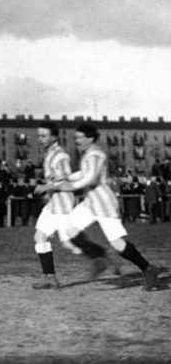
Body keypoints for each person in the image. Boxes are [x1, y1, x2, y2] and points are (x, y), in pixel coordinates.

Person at [36, 122, 161, 291]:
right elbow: (80, 174)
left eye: (80, 138)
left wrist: (66, 186)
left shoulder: (96, 154)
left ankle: (148, 269)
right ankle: (99, 259)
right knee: (69, 227)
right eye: (75, 138)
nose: (76, 141)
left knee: (118, 244)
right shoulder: (88, 154)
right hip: (90, 203)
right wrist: (57, 182)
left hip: (104, 204)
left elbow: (89, 178)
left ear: (90, 138)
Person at [28, 121, 76, 290]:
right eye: (39, 136)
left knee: (71, 241)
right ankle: (50, 278)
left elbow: (65, 180)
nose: (40, 139)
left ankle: (103, 259)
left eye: (43, 135)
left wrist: (45, 187)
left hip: (62, 202)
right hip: (55, 202)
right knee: (40, 237)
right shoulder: (50, 154)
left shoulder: (60, 156)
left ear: (54, 137)